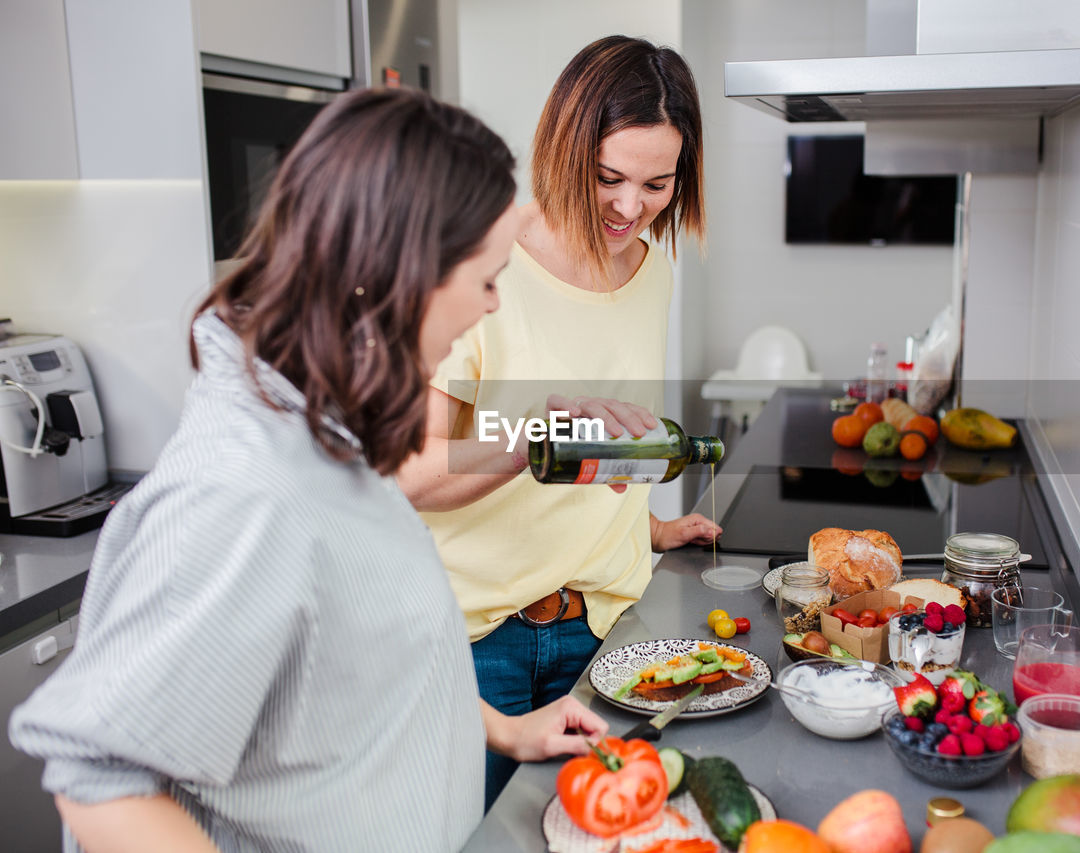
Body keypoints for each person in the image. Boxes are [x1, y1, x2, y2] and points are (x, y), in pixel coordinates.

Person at [8, 88, 606, 853]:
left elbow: (354, 661)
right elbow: (98, 780)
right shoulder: (247, 493)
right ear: (404, 273)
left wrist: (504, 730)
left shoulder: (329, 444)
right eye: (487, 278)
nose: (492, 305)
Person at [395, 35, 719, 808]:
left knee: (596, 827)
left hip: (606, 624)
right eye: (609, 177)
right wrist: (528, 440)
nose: (630, 207)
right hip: (481, 642)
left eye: (657, 184)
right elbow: (409, 474)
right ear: (565, 147)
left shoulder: (652, 270)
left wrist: (644, 524)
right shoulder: (484, 259)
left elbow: (604, 445)